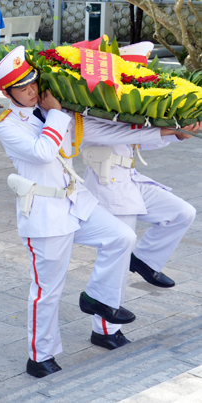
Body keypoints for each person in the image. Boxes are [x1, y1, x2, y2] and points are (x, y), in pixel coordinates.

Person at [0, 45, 184, 378]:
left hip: (76, 204)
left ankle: (98, 298)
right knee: (48, 290)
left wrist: (172, 130)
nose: (32, 90)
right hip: (45, 215)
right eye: (22, 87)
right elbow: (44, 152)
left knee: (122, 236)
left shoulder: (54, 112)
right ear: (8, 92)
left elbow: (111, 131)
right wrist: (57, 113)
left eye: (33, 82)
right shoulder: (6, 126)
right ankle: (40, 356)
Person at [80, 46, 199, 349]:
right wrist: (168, 131)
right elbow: (122, 136)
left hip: (130, 181)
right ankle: (104, 330)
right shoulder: (87, 112)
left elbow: (139, 142)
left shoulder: (122, 109)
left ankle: (145, 259)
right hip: (108, 187)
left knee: (182, 212)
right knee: (115, 260)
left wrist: (176, 133)